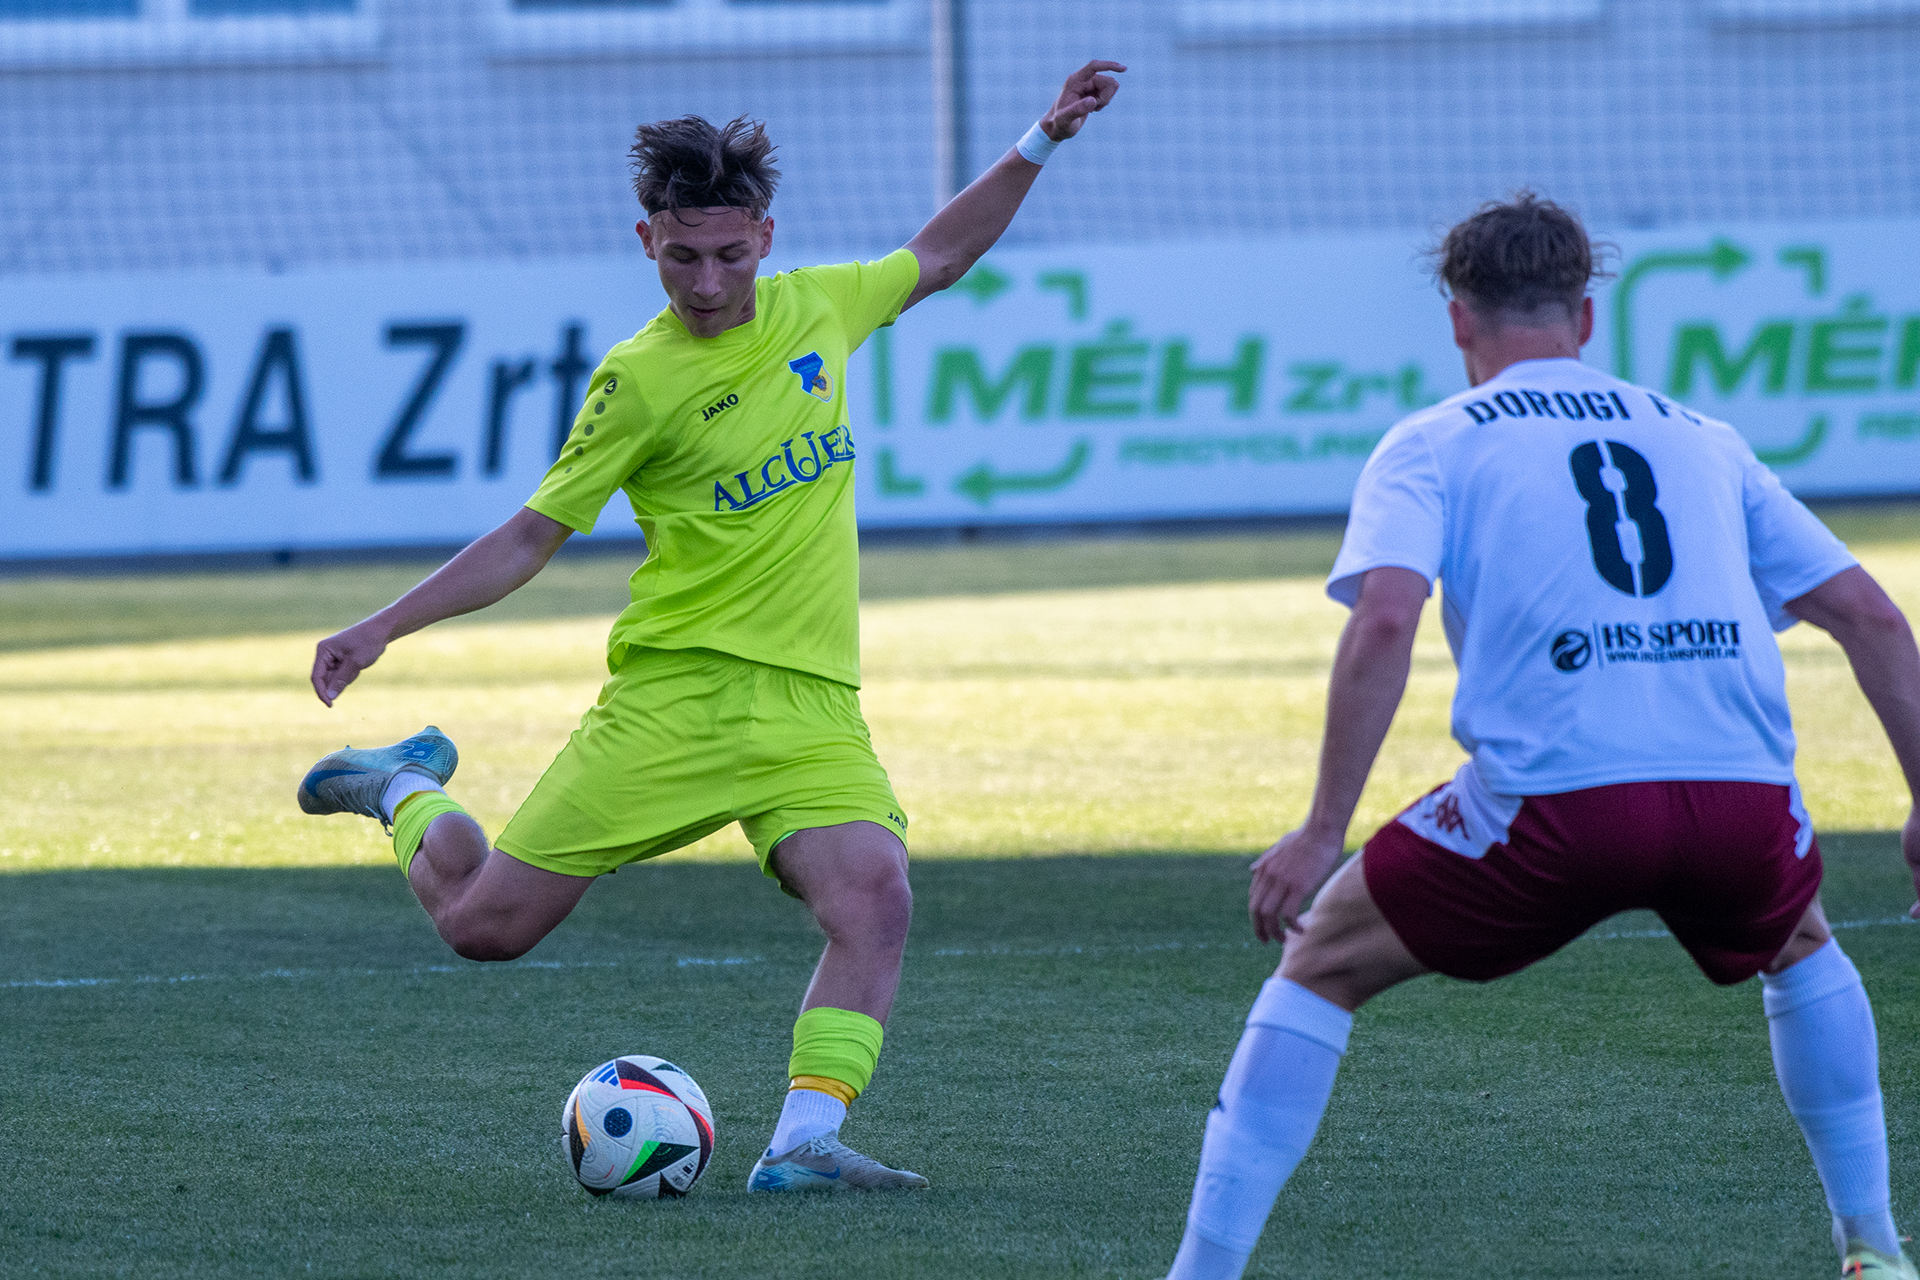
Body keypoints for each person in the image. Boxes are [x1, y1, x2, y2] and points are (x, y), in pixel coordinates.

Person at [295, 60, 1125, 1195]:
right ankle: (401, 785)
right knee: (484, 927)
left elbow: (940, 254)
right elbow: (531, 535)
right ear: (647, 240)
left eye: (730, 254)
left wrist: (1042, 137)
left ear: (765, 237)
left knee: (874, 895)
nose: (707, 280)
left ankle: (804, 1143)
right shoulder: (637, 381)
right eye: (682, 256)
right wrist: (384, 626)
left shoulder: (819, 306)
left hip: (809, 702)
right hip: (674, 697)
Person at [1162, 192, 1920, 1279]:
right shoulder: (1704, 440)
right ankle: (1875, 1247)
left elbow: (1386, 618)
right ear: (1586, 315)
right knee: (1799, 942)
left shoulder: (1431, 442)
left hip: (1557, 808)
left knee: (1320, 959)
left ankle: (1200, 1273)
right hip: (1741, 802)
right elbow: (1874, 617)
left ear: (1457, 319)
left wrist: (1322, 828)